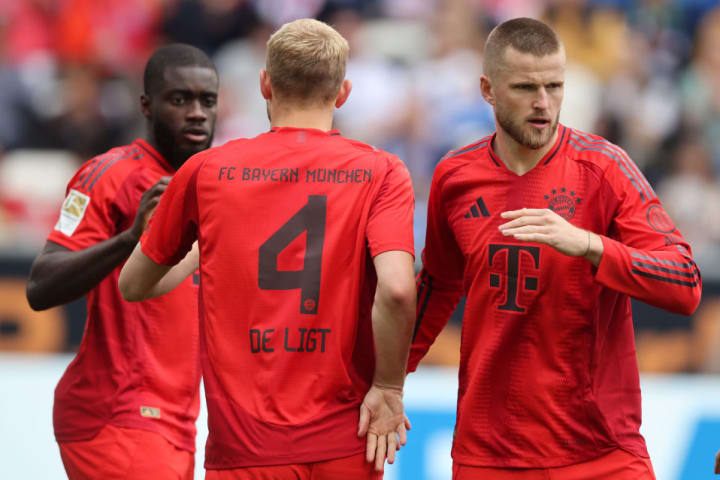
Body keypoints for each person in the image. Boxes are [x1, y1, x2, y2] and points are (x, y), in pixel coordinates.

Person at [119, 18, 416, 480]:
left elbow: (134, 285)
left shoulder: (205, 171)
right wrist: (388, 385)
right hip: (346, 439)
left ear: (264, 84)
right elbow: (397, 290)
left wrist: (201, 250)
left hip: (246, 445)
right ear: (343, 93)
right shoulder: (382, 172)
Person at [408, 17, 702, 480]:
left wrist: (589, 245)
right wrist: (384, 381)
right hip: (489, 455)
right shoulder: (455, 177)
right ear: (488, 89)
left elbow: (684, 284)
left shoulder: (606, 168)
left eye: (555, 86)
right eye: (526, 87)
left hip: (601, 452)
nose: (543, 103)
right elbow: (437, 286)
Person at [26, 44, 219, 479]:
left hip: (176, 423)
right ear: (146, 106)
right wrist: (130, 240)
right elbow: (40, 286)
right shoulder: (110, 175)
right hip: (118, 412)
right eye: (179, 99)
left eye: (207, 101)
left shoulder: (212, 188)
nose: (196, 113)